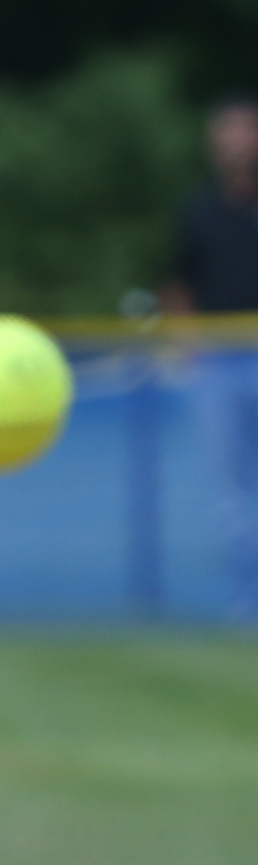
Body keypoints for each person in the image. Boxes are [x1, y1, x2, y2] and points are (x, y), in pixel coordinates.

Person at [166, 96, 258, 618]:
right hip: (220, 362)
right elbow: (178, 281)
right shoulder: (200, 209)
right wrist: (186, 349)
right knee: (233, 496)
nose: (232, 142)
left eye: (242, 131)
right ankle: (248, 605)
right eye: (224, 133)